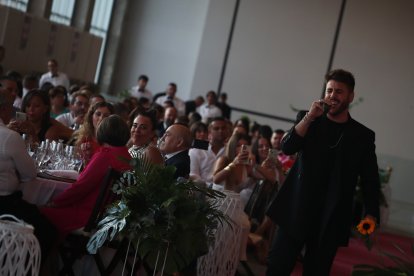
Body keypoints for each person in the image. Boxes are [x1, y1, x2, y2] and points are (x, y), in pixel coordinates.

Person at [266, 69, 381, 276]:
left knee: (317, 271)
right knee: (277, 266)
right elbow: (288, 147)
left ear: (350, 96)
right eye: (329, 90)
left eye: (339, 91)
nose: (332, 96)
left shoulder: (362, 136)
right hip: (297, 205)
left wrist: (371, 213)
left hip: (332, 214)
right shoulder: (308, 119)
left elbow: (370, 179)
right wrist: (310, 117)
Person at [41, 115, 131, 239]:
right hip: (106, 217)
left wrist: (55, 202)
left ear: (102, 132)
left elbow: (81, 187)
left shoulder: (105, 155)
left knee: (36, 212)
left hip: (86, 217)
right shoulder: (128, 159)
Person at [0, 87, 57, 263]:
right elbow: (29, 174)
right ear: (3, 109)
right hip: (4, 205)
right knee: (47, 231)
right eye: (11, 106)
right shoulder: (9, 136)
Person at [8, 89, 73, 143]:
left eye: (36, 106)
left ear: (45, 109)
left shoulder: (51, 130)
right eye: (28, 106)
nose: (31, 109)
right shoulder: (16, 123)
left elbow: (46, 155)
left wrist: (32, 134)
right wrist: (7, 131)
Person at [189, 117, 227, 188]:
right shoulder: (196, 150)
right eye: (216, 128)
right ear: (209, 132)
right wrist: (210, 187)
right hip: (202, 190)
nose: (220, 131)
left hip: (224, 192)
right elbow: (193, 175)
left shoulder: (230, 151)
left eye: (223, 128)